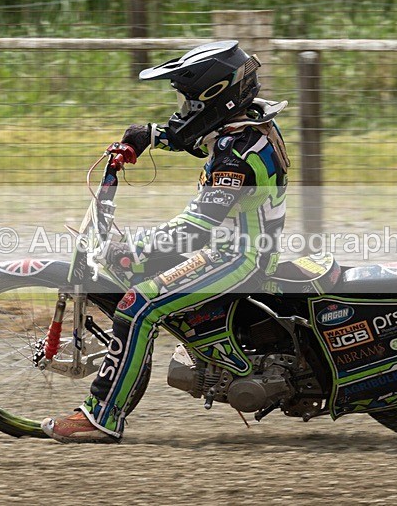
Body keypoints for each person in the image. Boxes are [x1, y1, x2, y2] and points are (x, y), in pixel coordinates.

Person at [42, 40, 290, 443]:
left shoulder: (237, 156)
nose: (183, 109)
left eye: (189, 101)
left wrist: (134, 249)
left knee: (137, 306)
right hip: (238, 249)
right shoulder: (248, 128)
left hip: (237, 259)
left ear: (216, 97)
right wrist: (152, 136)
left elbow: (195, 229)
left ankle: (101, 417)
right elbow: (200, 135)